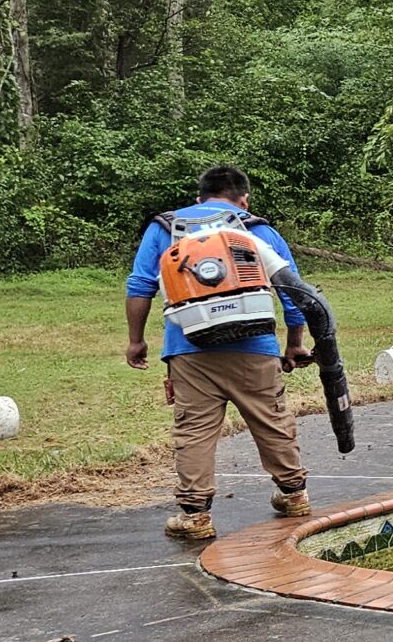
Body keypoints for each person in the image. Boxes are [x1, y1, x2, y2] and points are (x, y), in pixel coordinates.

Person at [126, 164, 312, 540]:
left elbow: (140, 286)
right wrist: (294, 342)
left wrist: (136, 340)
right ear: (244, 199)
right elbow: (295, 293)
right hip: (255, 346)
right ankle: (294, 495)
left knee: (194, 430)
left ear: (199, 198)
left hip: (188, 349)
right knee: (271, 418)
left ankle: (195, 516)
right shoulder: (257, 229)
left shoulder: (165, 228)